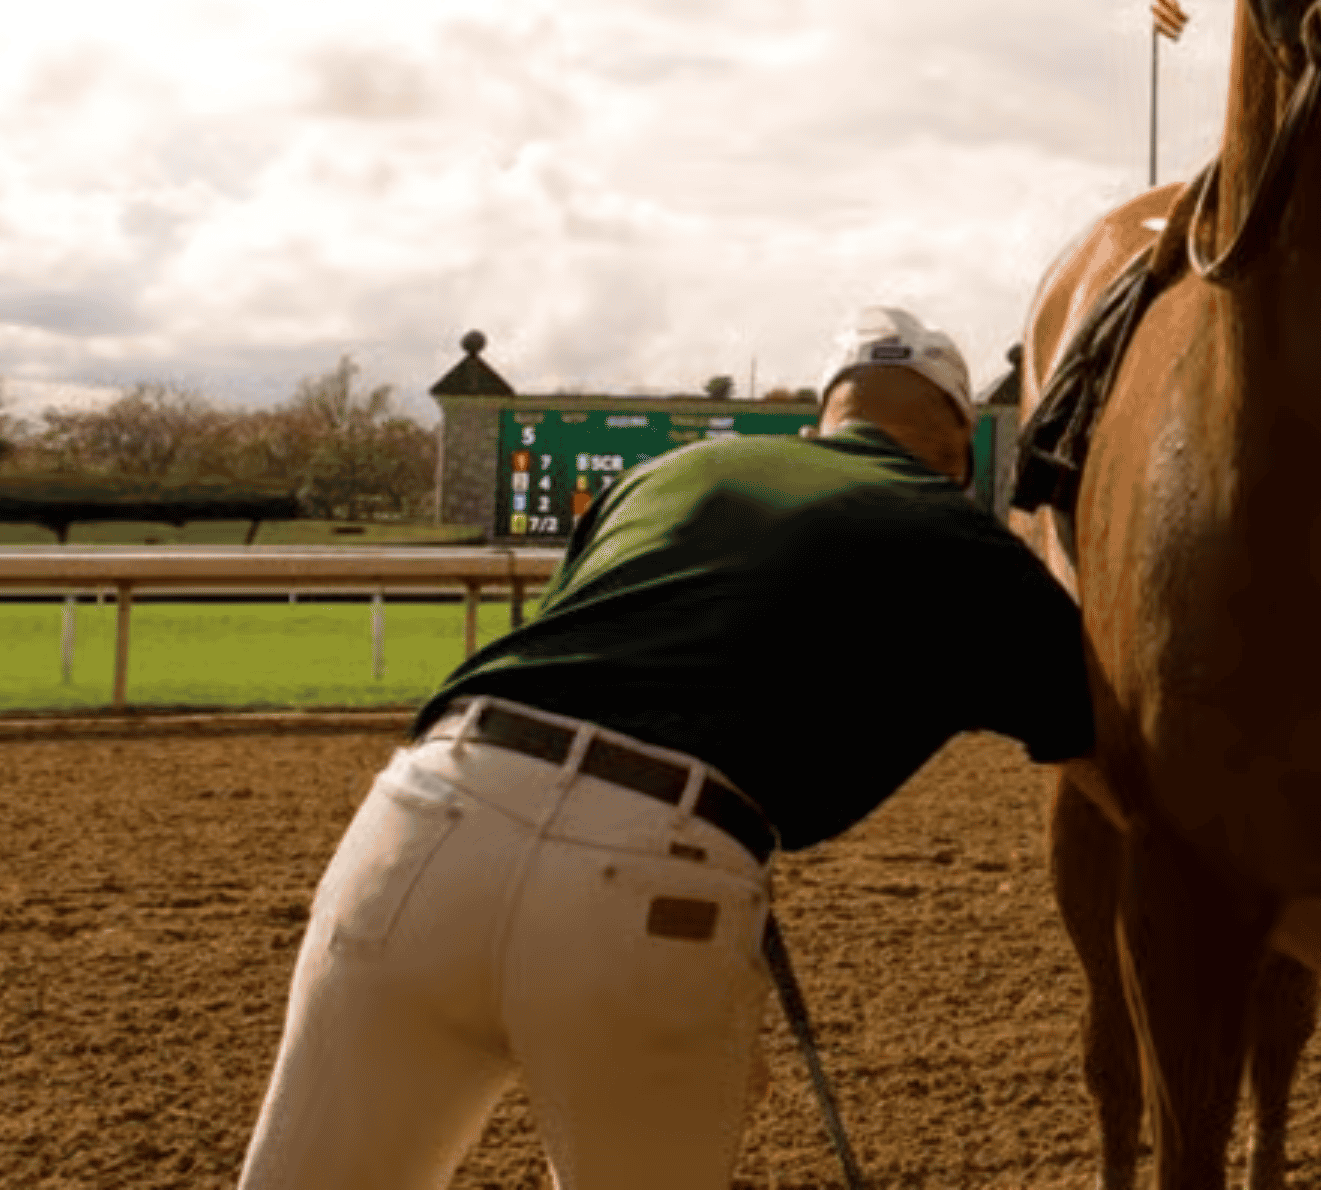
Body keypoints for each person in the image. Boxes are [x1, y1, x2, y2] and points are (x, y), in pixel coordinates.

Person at [236, 306, 1095, 1190]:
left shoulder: (665, 472)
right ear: (961, 440)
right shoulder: (972, 549)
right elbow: (1116, 755)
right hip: (654, 886)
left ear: (824, 416)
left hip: (420, 820)